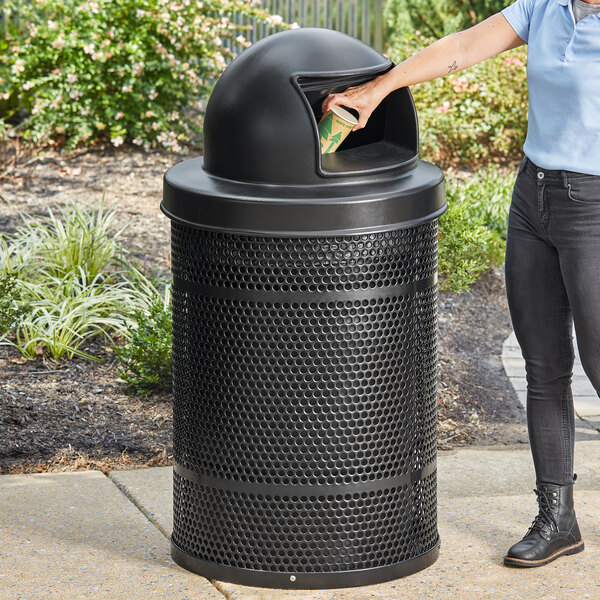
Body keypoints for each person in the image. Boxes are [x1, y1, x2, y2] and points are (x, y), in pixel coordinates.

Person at [322, 0, 600, 568]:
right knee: (544, 365)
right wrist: (378, 90)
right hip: (534, 198)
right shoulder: (544, 7)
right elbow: (461, 49)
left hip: (595, 208)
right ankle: (558, 519)